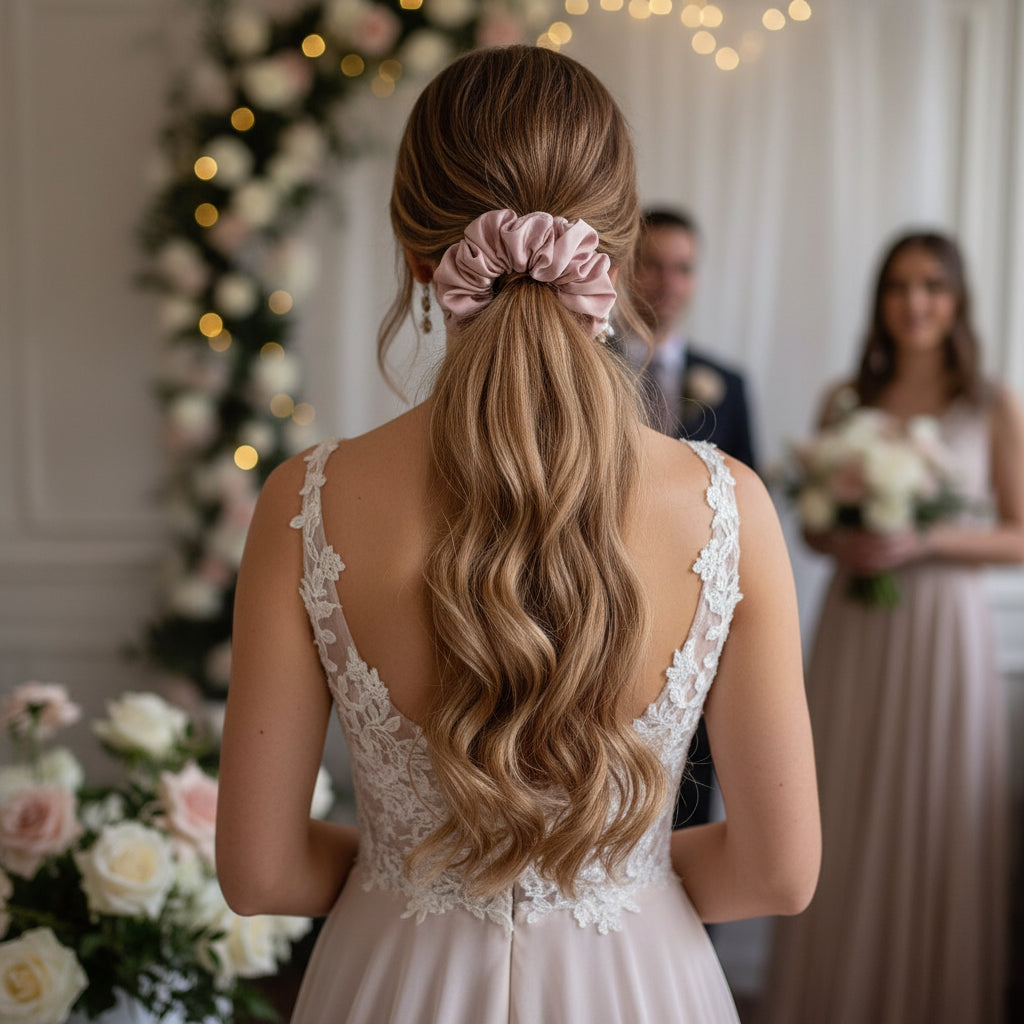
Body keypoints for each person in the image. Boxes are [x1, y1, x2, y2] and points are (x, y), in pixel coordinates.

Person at [216, 45, 819, 1024]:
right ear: (614, 258)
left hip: (391, 984)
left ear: (417, 253)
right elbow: (778, 872)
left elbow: (260, 868)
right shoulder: (727, 506)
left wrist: (409, 866)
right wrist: (613, 872)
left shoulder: (305, 501)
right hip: (640, 984)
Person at [759, 230, 1024, 1024]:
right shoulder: (845, 401)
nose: (916, 303)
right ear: (880, 300)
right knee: (840, 805)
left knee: (938, 813)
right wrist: (845, 537)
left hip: (944, 635)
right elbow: (808, 528)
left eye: (933, 287)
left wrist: (928, 539)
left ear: (957, 301)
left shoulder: (990, 404)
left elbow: (1022, 531)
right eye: (901, 286)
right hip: (855, 630)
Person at [624, 209, 758, 830]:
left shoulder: (727, 384)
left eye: (682, 269)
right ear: (626, 268)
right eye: (651, 264)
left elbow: (748, 515)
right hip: (608, 603)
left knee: (694, 786)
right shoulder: (586, 369)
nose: (666, 283)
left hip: (696, 615)